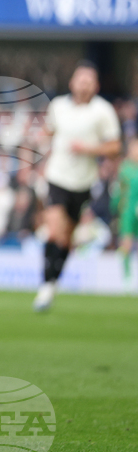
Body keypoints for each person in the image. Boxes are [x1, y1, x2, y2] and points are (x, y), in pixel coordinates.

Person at [35, 61, 121, 311]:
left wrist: (88, 149)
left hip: (83, 182)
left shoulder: (103, 111)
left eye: (88, 80)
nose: (83, 84)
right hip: (56, 177)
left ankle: (52, 283)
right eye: (79, 79)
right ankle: (45, 285)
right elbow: (49, 134)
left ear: (95, 85)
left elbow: (115, 147)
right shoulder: (58, 106)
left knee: (65, 238)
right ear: (72, 82)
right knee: (53, 229)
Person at [112, 139, 138, 283]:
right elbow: (121, 191)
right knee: (127, 242)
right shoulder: (126, 168)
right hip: (128, 210)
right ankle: (126, 276)